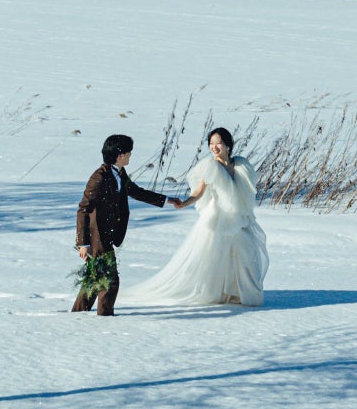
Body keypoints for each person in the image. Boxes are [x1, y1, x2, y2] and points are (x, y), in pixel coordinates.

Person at [126, 127, 268, 308]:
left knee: (246, 255)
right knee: (216, 256)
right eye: (211, 144)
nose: (214, 147)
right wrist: (184, 203)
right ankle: (218, 292)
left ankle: (241, 293)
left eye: (218, 143)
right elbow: (199, 192)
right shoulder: (211, 166)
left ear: (227, 145)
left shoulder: (240, 165)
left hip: (239, 218)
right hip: (218, 219)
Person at [72, 133, 177, 315]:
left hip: (107, 234)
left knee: (95, 278)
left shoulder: (119, 173)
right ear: (120, 155)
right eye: (129, 153)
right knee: (109, 281)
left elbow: (136, 192)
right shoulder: (99, 177)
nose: (130, 156)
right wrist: (83, 243)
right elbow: (83, 209)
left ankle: (78, 315)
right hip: (97, 237)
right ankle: (105, 318)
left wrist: (167, 200)